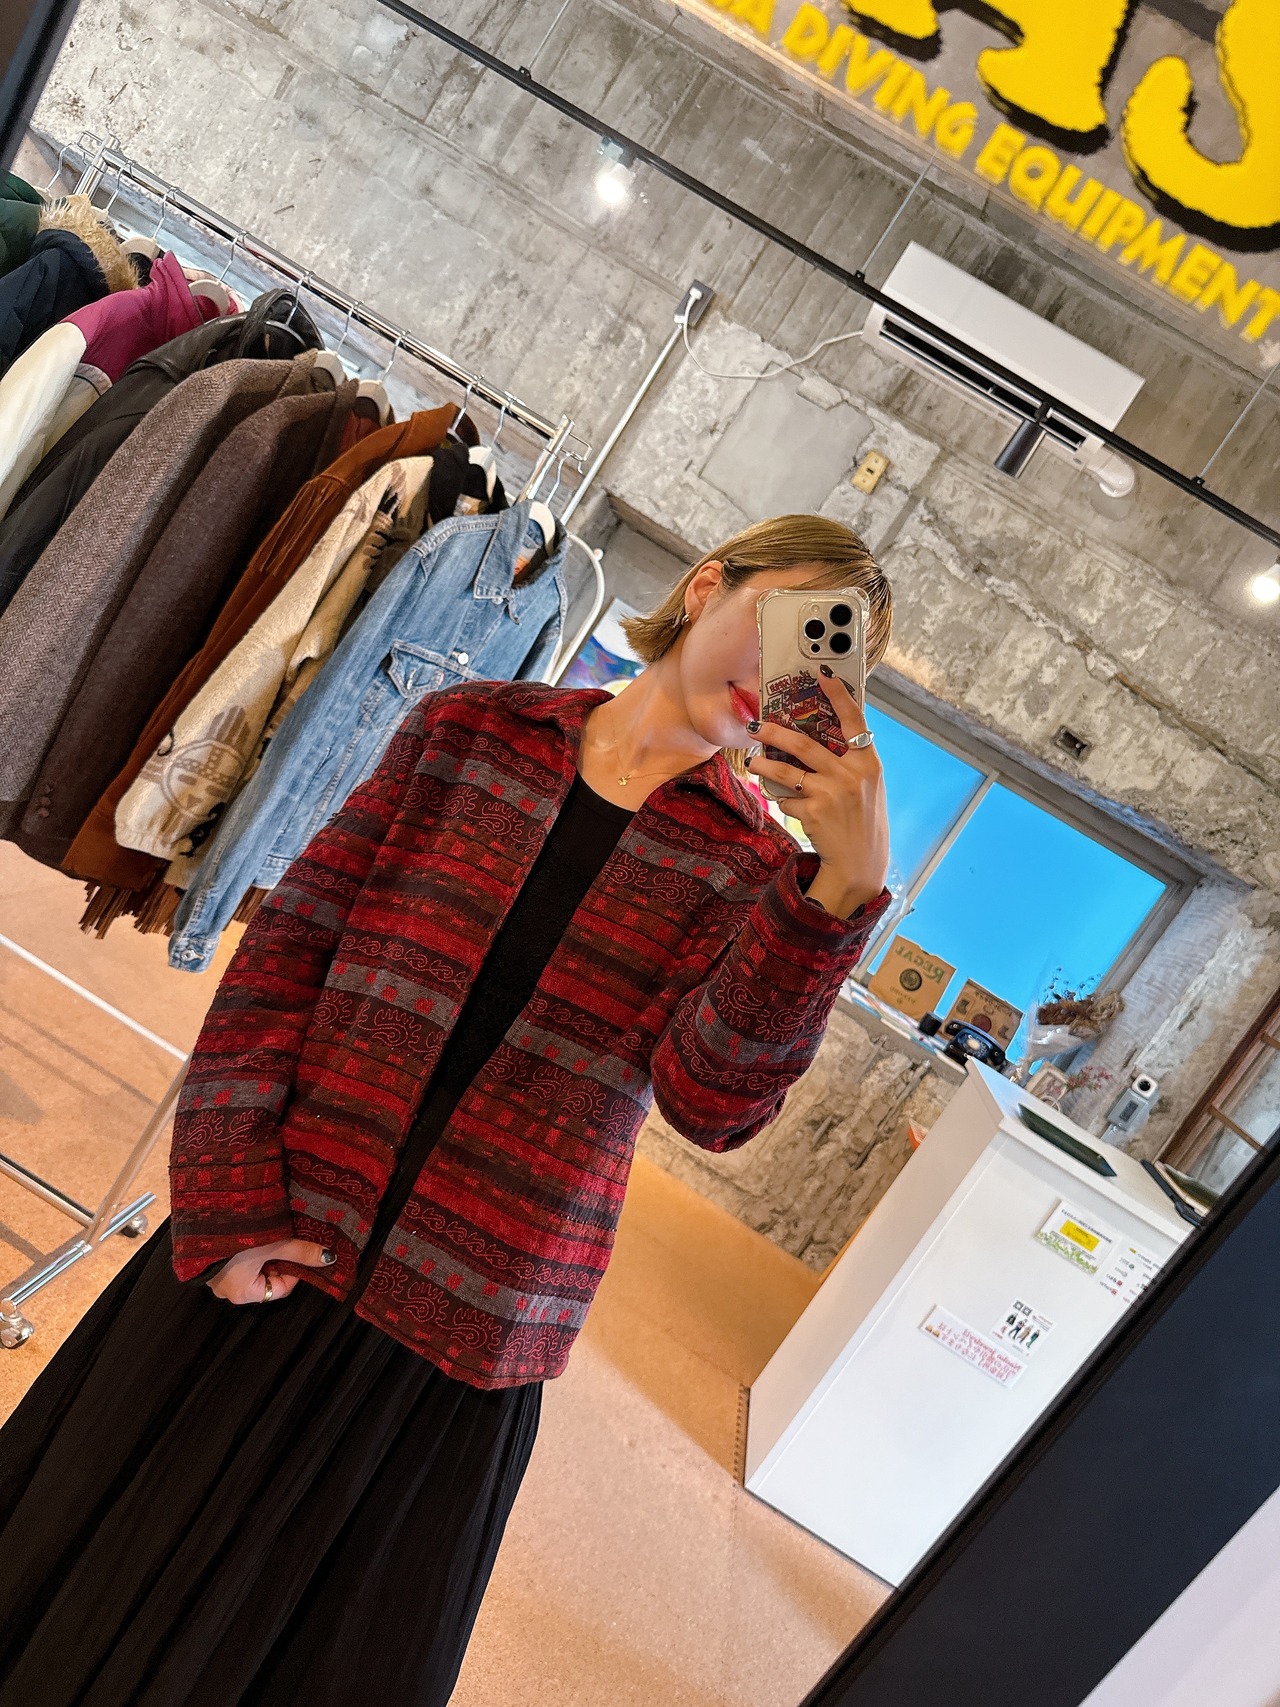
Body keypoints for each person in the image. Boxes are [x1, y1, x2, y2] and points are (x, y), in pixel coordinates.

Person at [0, 513, 893, 1707]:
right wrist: (227, 1196)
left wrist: (836, 895)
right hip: (276, 1233)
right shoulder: (471, 730)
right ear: (705, 586)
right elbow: (289, 953)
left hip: (460, 1329)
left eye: (828, 662)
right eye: (789, 625)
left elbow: (711, 1103)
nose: (788, 675)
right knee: (79, 1575)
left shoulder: (753, 872)